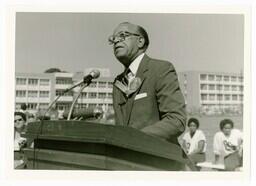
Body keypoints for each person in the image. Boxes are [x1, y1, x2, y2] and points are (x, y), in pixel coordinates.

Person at [110, 22, 186, 144]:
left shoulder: (160, 69)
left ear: (140, 41)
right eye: (113, 39)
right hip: (126, 159)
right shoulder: (118, 83)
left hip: (160, 158)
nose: (116, 41)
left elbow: (176, 120)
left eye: (122, 35)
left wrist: (134, 139)